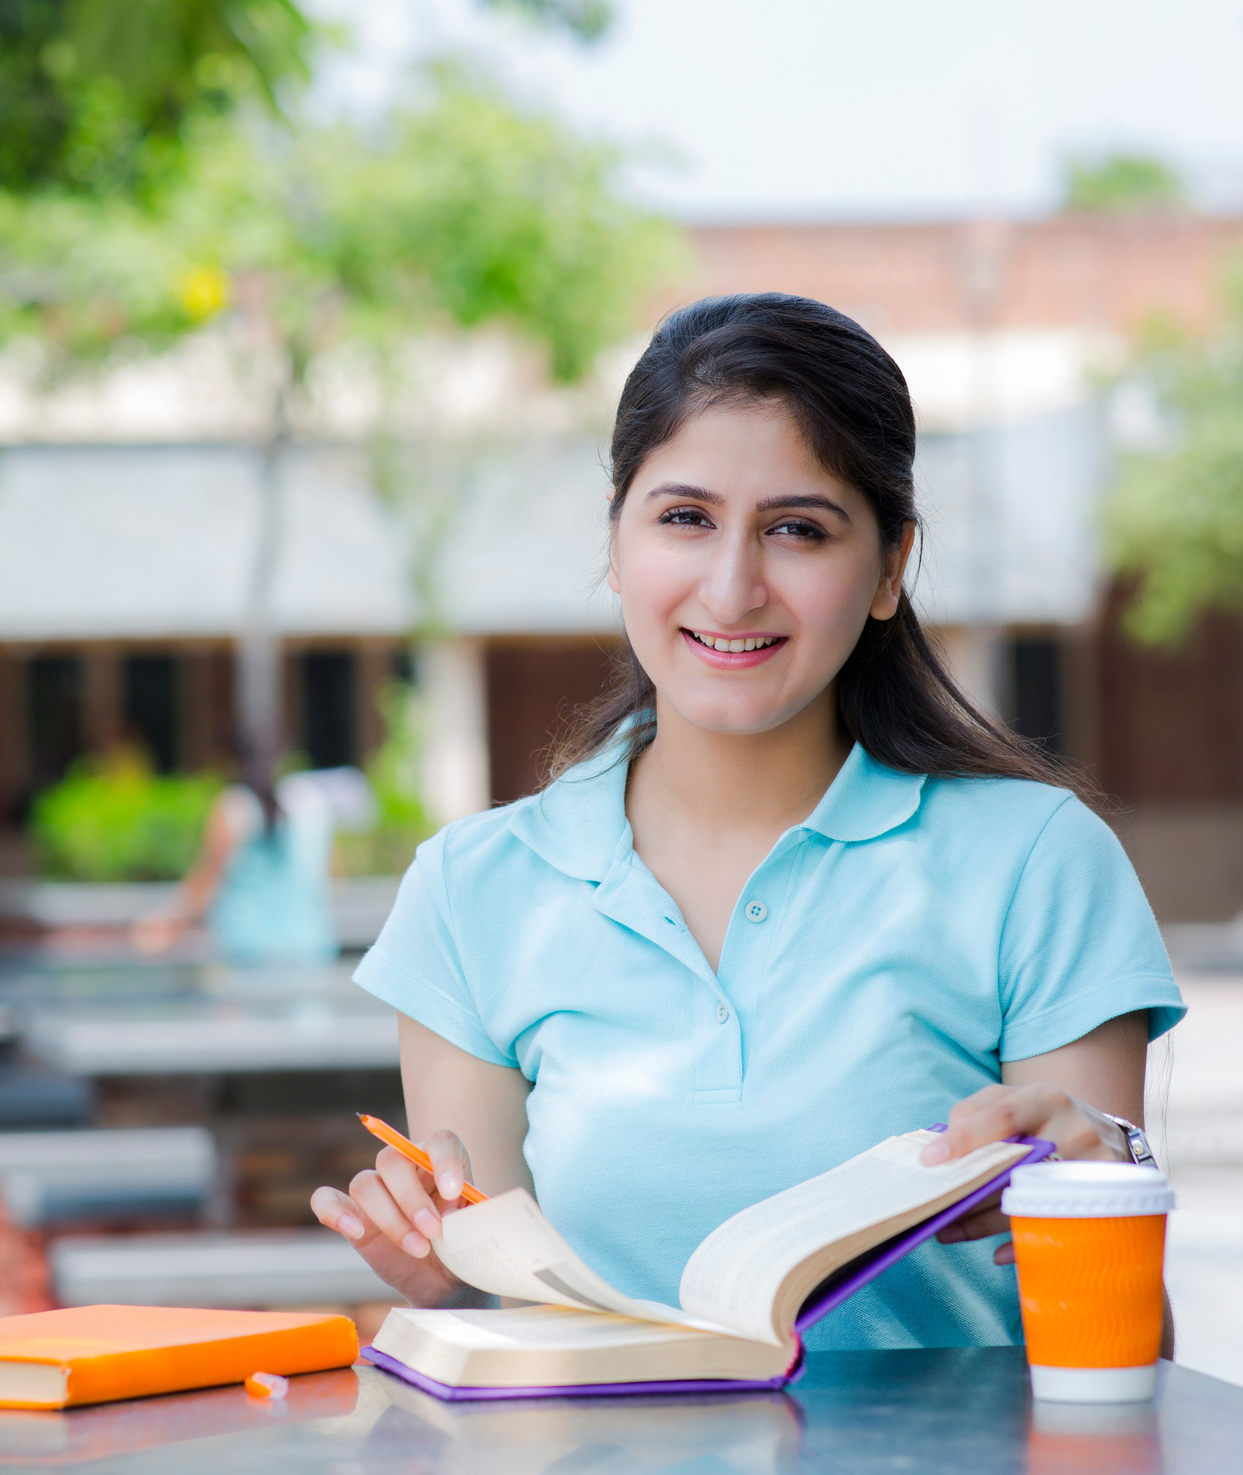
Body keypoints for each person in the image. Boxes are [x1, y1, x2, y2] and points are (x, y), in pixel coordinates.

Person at [310, 294, 1187, 1352]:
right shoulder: (472, 890)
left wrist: (1096, 1193)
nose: (731, 590)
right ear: (618, 540)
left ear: (888, 568)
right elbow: (504, 1307)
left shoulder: (1038, 863)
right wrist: (434, 1273)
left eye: (797, 530)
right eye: (684, 519)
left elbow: (1128, 1350)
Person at [132, 761, 375, 965]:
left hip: (246, 953)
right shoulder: (315, 804)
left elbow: (206, 883)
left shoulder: (232, 806)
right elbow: (333, 883)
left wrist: (166, 924)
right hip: (308, 950)